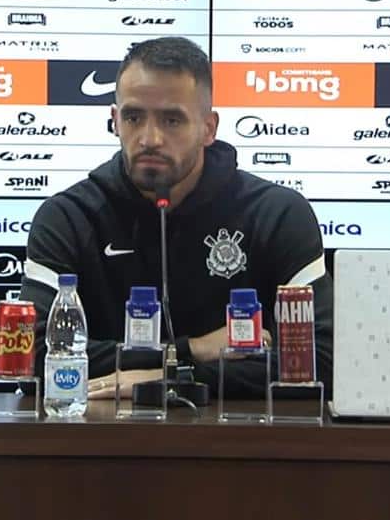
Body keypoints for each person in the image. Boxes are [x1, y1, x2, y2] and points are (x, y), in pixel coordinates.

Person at [18, 36, 332, 400]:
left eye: (172, 120)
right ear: (115, 121)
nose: (150, 138)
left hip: (242, 449)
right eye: (134, 117)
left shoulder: (278, 214)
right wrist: (193, 349)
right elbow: (30, 359)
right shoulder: (68, 217)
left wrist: (169, 377)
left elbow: (318, 362)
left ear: (209, 128)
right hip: (103, 447)